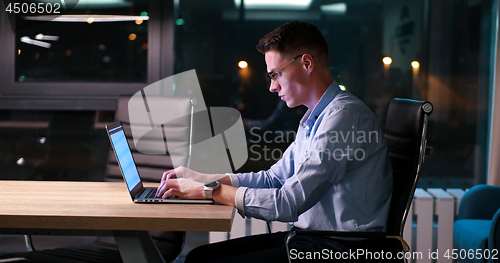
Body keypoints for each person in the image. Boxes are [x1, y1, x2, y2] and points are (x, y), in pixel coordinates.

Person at [155, 20, 393, 262]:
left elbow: (288, 203)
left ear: (307, 63)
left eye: (276, 74)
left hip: (340, 250)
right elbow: (274, 178)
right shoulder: (316, 117)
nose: (272, 86)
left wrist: (208, 192)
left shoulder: (344, 117)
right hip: (311, 239)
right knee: (200, 257)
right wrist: (206, 179)